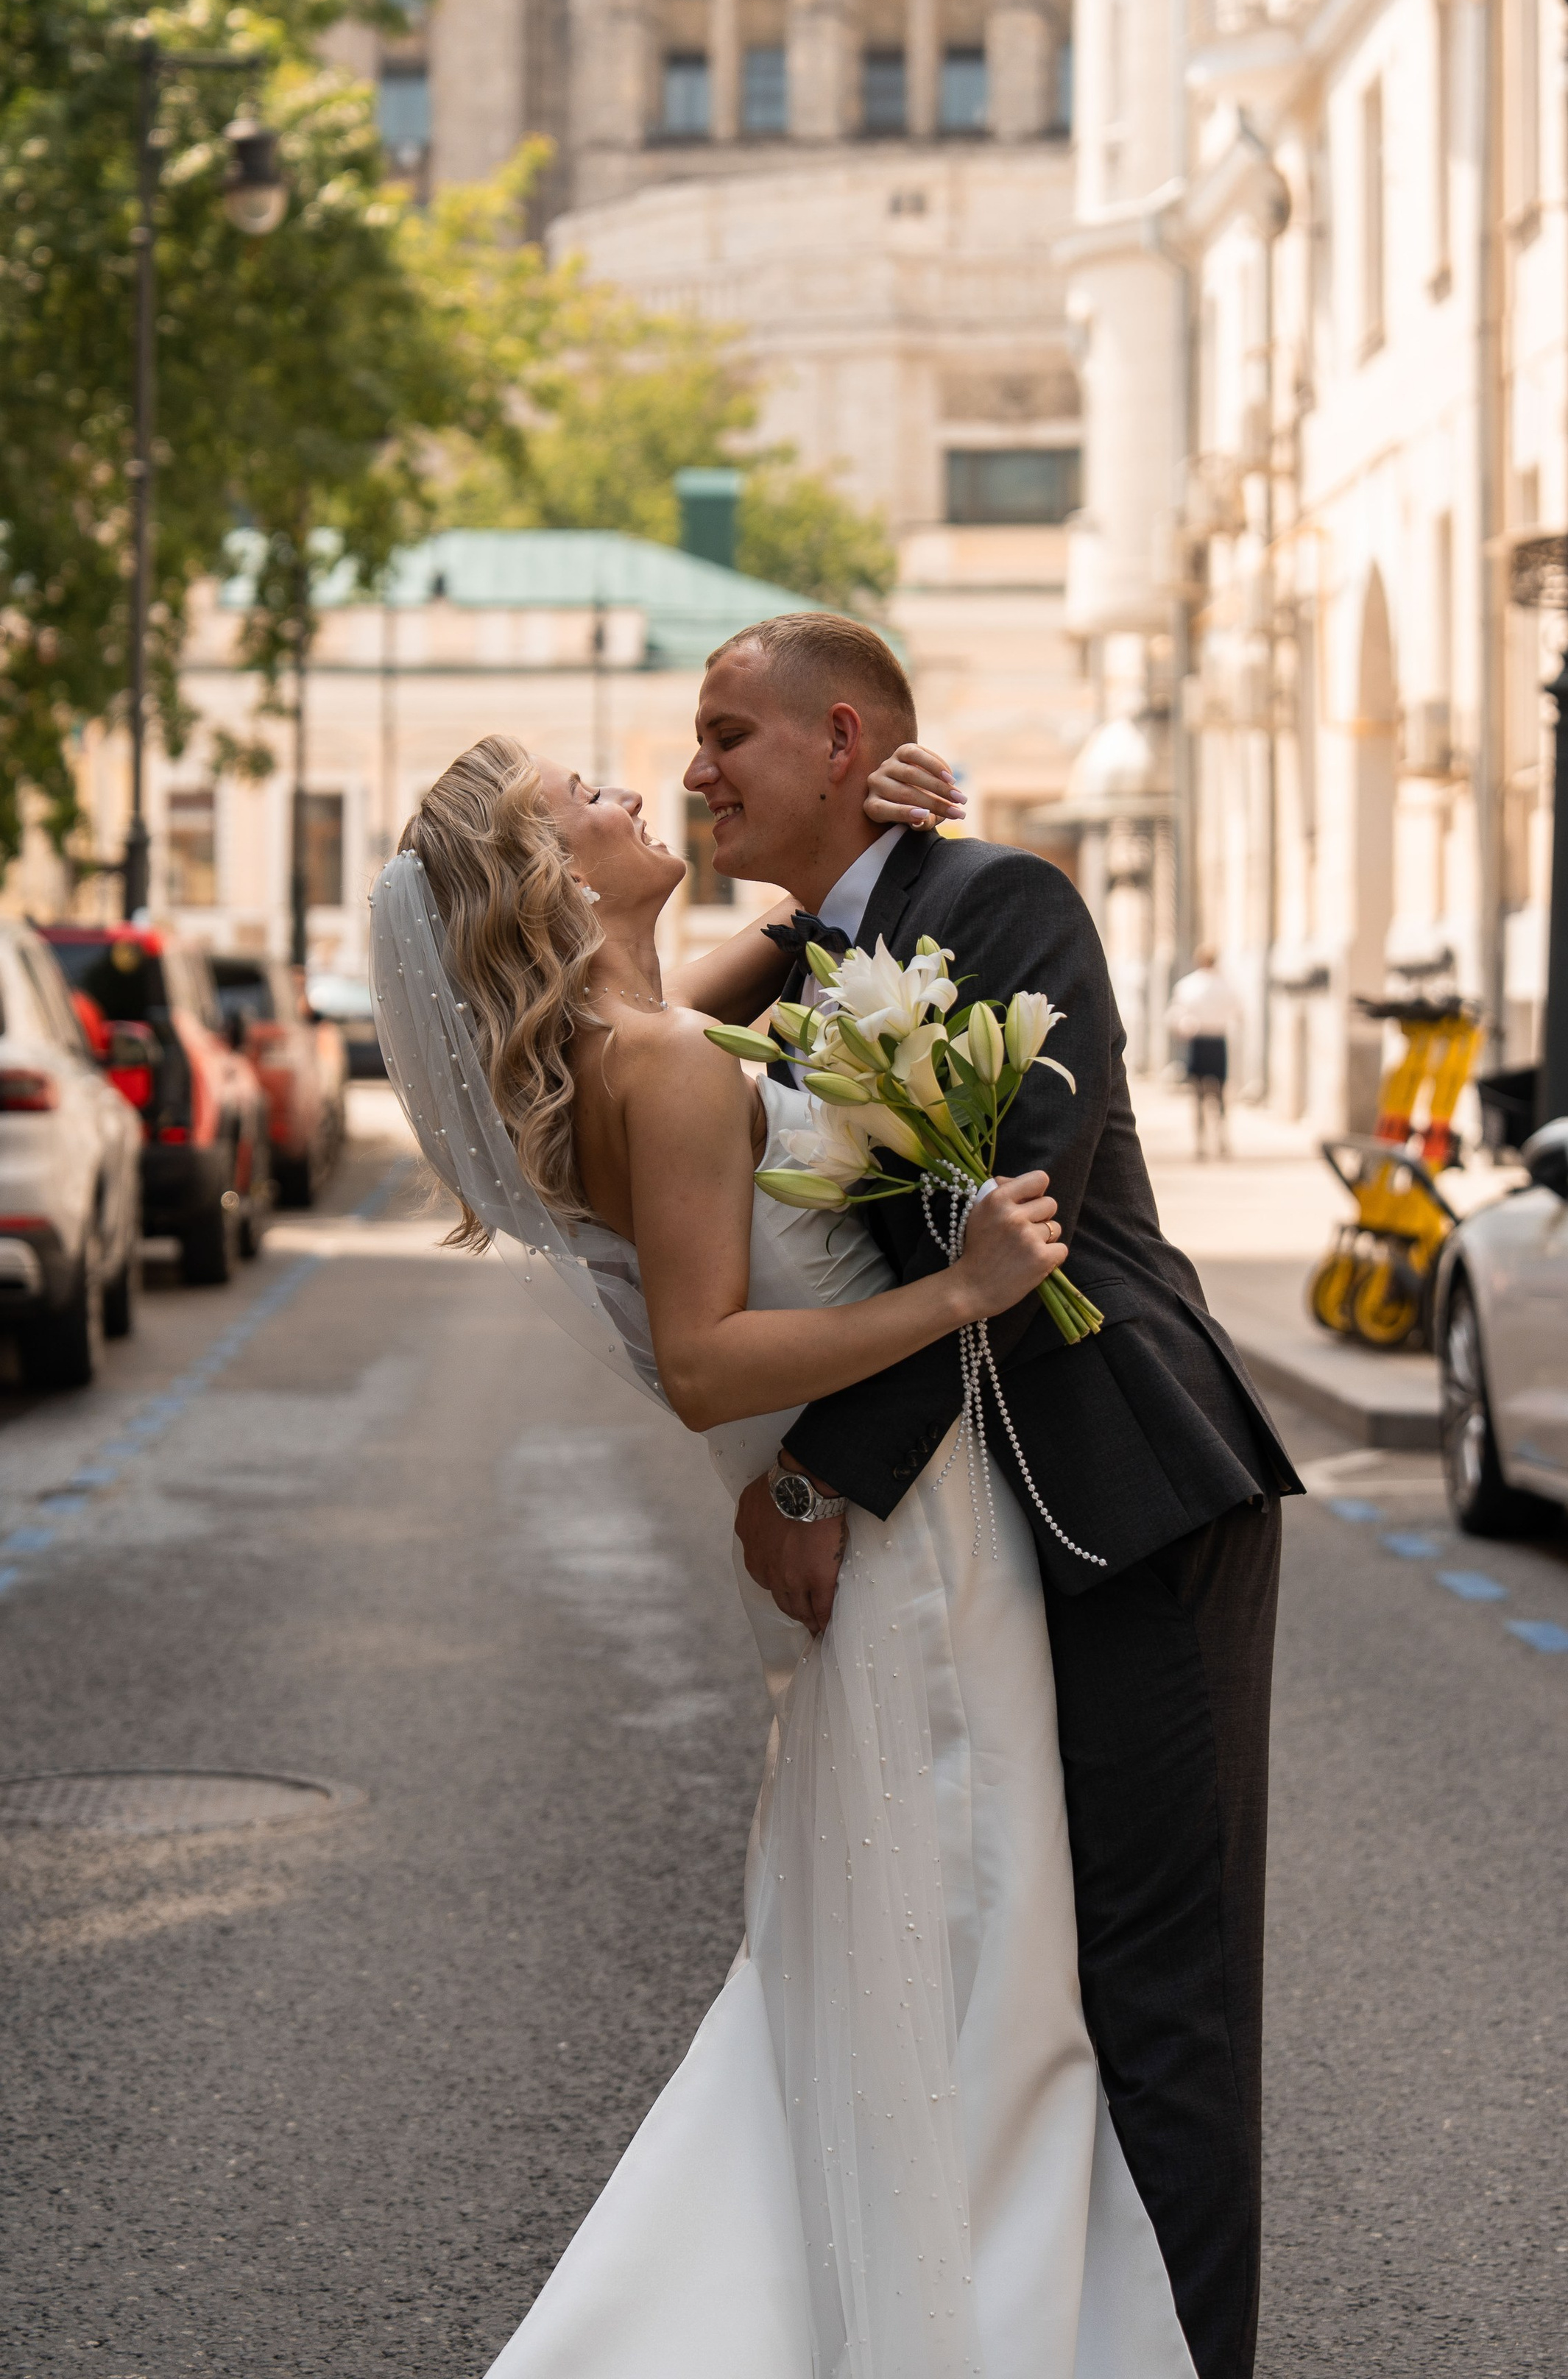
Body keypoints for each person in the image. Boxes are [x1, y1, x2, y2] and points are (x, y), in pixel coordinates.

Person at [370, 726, 1207, 2379]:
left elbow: (801, 941)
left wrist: (868, 830)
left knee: (899, 1970)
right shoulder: (665, 1066)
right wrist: (959, 1291)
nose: (633, 793)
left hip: (902, 1550)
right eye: (584, 798)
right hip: (913, 1558)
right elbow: (704, 1366)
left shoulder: (632, 1037)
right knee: (978, 1959)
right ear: (542, 877)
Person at [689, 614, 1302, 2379]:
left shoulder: (1006, 899)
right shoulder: (822, 964)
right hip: (984, 1543)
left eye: (728, 732)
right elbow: (644, 1038)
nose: (698, 767)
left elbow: (1014, 1234)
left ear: (843, 738)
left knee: (1162, 2001)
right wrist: (803, 914)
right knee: (1040, 1983)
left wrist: (818, 1469)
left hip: (1133, 1494)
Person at [1168, 944, 1240, 1160]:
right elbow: (1238, 1012)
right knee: (1220, 1095)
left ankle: (1200, 1143)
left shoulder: (1188, 985)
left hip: (1199, 1041)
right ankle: (1222, 1141)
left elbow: (1176, 1015)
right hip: (1217, 1041)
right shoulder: (1225, 985)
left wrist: (1185, 1027)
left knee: (1198, 1096)